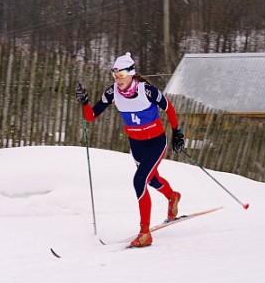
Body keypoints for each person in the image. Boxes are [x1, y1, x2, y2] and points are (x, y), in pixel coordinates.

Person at [75, 52, 185, 247]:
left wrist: (177, 132)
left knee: (139, 180)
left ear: (131, 74)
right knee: (151, 180)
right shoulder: (113, 93)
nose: (118, 79)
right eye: (115, 75)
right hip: (136, 145)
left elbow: (168, 107)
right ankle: (172, 196)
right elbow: (91, 116)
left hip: (156, 142)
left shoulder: (147, 91)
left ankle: (145, 233)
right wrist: (84, 102)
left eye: (122, 75)